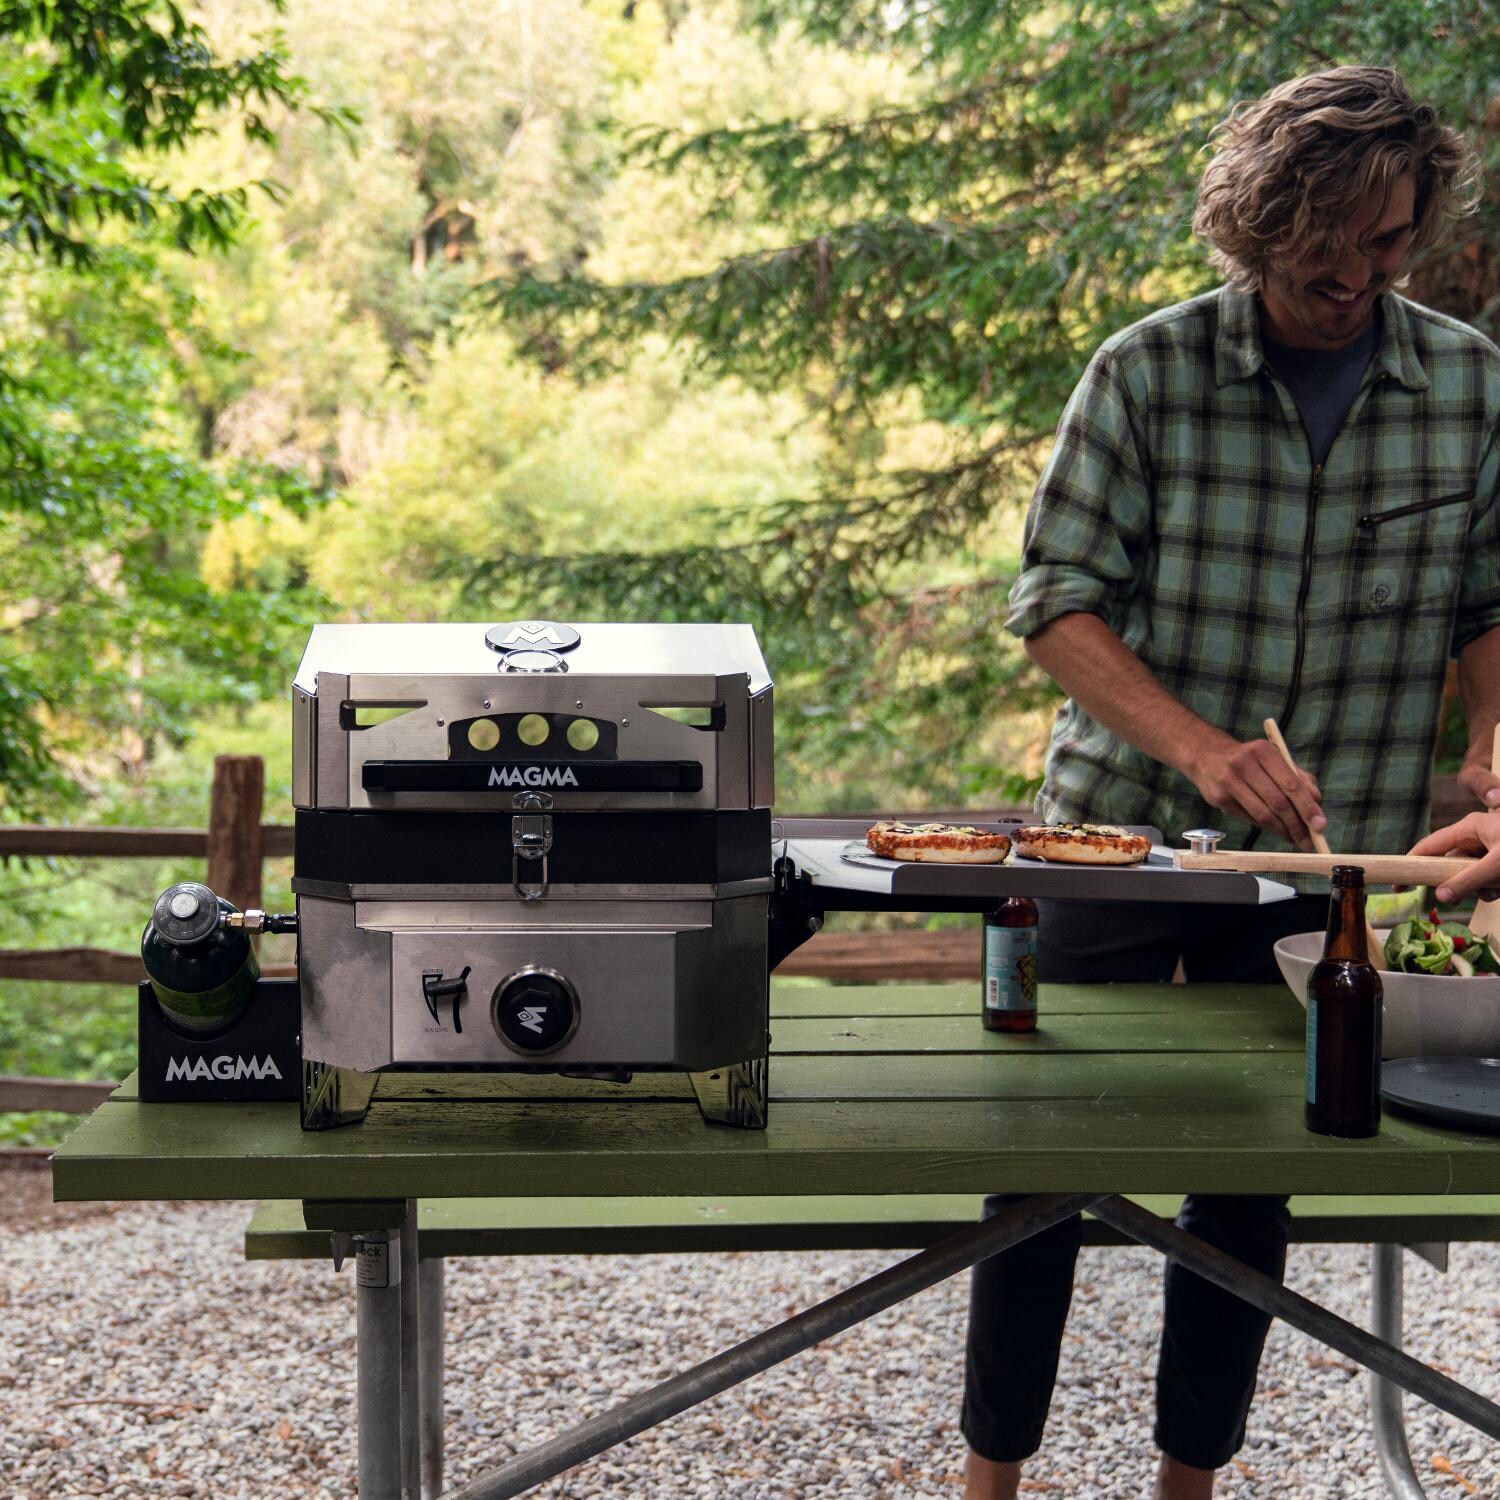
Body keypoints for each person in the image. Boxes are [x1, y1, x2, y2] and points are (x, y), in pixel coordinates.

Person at [964, 67, 1500, 1500]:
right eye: (1322, 253)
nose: (1353, 279)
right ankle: (990, 1478)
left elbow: (1490, 605)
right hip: (1119, 848)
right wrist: (1198, 748)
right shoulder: (1144, 373)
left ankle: (1187, 1484)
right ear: (1252, 228)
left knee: (1250, 1189)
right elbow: (1055, 608)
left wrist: (1492, 746)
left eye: (1386, 247)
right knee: (1039, 1176)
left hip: (1329, 873)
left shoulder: (1469, 386)